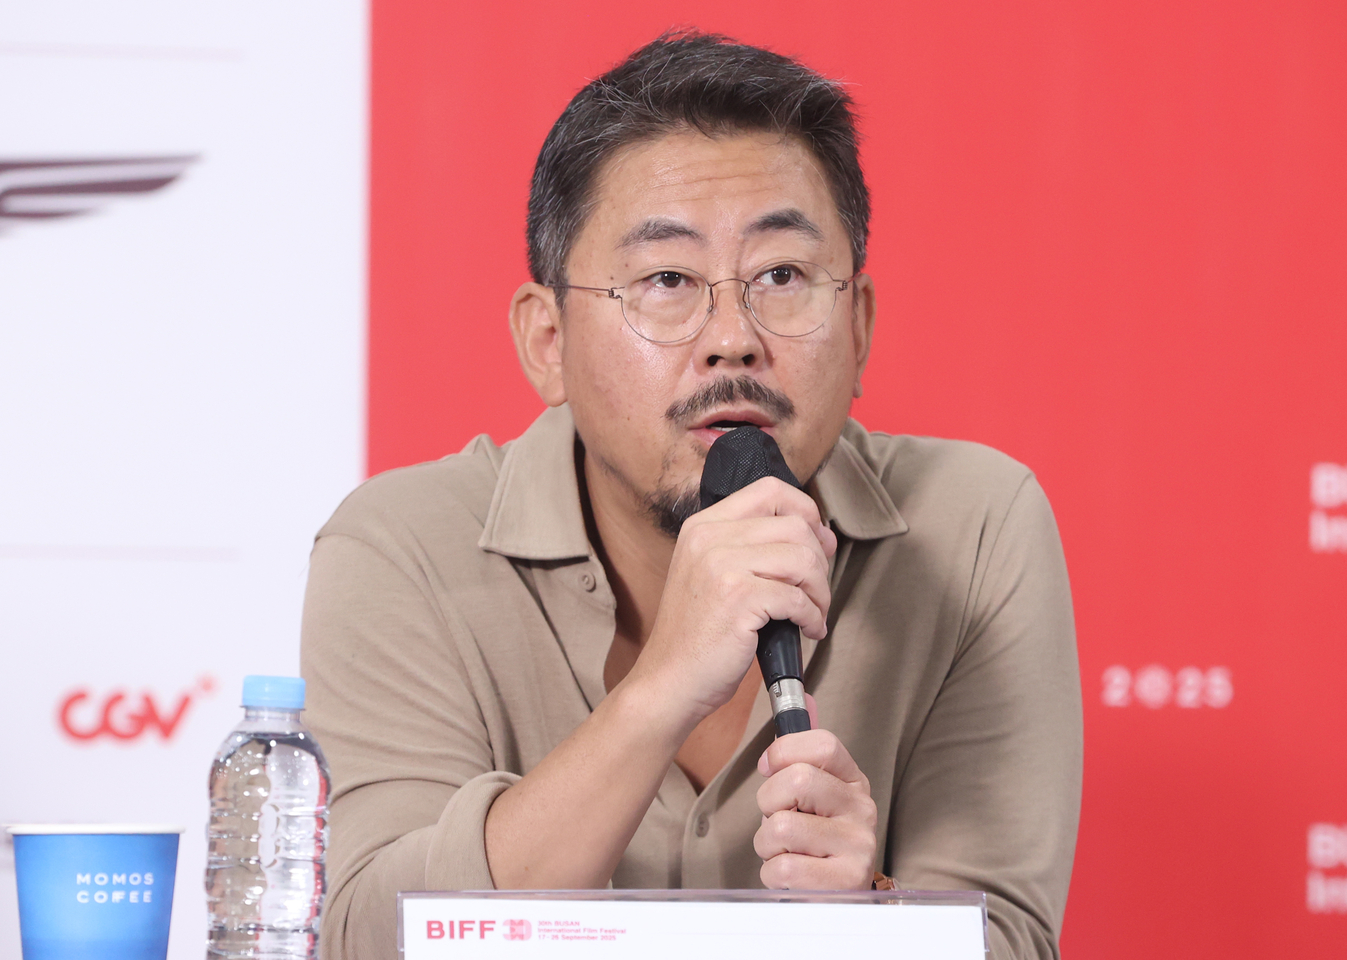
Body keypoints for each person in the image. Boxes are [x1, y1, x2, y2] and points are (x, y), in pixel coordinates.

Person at [301, 32, 1082, 960]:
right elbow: (367, 943)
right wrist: (664, 685)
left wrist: (865, 919)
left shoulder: (979, 529)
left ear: (861, 326)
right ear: (547, 341)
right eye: (667, 281)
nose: (732, 341)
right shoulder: (401, 548)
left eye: (782, 277)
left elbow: (1010, 943)